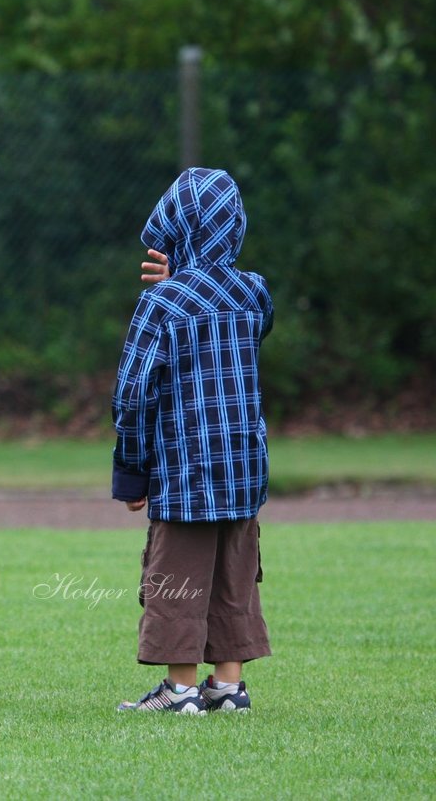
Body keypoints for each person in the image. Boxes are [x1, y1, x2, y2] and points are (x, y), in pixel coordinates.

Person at [111, 167, 274, 713]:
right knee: (236, 572)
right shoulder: (254, 294)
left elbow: (134, 393)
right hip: (243, 470)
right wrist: (189, 276)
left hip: (185, 471)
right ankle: (228, 685)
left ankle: (179, 690)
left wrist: (132, 472)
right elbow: (239, 318)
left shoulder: (161, 305)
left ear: (176, 227)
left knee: (177, 576)